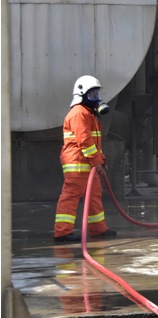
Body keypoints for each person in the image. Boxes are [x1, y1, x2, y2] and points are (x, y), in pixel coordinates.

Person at [54, 75, 117, 243]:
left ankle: (98, 229)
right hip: (77, 165)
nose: (96, 99)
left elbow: (94, 142)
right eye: (92, 95)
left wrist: (100, 159)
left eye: (97, 94)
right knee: (70, 197)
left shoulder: (89, 114)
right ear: (81, 95)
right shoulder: (78, 114)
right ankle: (62, 233)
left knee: (94, 196)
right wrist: (96, 161)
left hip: (87, 164)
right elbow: (85, 141)